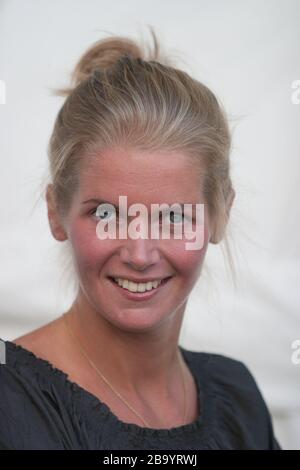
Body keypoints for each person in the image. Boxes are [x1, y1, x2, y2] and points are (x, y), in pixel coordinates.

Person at [0, 27, 281, 450]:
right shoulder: (10, 401)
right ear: (56, 212)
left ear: (220, 216)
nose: (139, 253)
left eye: (172, 217)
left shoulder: (238, 397)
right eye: (107, 214)